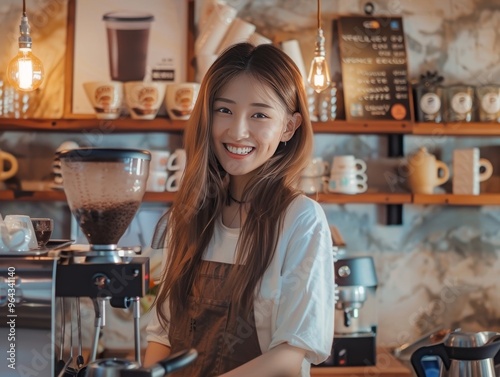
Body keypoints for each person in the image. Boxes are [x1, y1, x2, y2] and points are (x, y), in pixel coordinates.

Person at [144, 42, 335, 377]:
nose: (237, 130)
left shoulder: (300, 219)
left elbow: (290, 355)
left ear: (289, 127)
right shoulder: (187, 217)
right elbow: (162, 335)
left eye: (259, 114)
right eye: (224, 110)